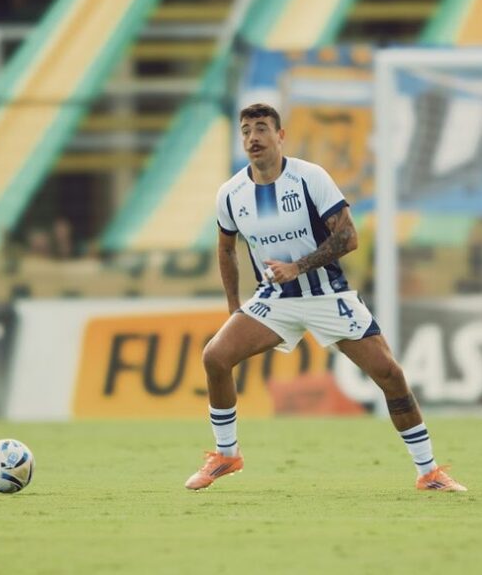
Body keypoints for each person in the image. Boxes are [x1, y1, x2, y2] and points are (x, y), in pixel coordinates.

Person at [185, 103, 466, 493]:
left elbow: (348, 237)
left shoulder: (309, 178)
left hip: (326, 295)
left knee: (390, 375)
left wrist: (297, 267)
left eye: (262, 128)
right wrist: (235, 309)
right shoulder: (231, 194)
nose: (253, 137)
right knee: (215, 356)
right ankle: (227, 455)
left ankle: (429, 472)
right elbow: (226, 249)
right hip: (275, 301)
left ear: (280, 136)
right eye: (246, 130)